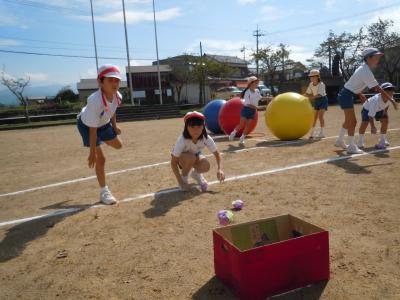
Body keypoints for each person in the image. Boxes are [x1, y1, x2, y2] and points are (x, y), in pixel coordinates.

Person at [335, 47, 397, 154]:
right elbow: (378, 88)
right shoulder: (365, 71)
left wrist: (359, 93)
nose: (378, 60)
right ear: (368, 58)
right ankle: (351, 146)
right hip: (346, 95)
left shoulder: (363, 68)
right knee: (352, 121)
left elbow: (352, 83)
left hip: (347, 94)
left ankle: (340, 140)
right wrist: (391, 100)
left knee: (348, 121)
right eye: (376, 58)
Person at [77, 64, 123, 205]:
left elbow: (113, 110)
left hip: (104, 123)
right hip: (88, 126)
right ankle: (104, 192)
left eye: (116, 80)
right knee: (101, 159)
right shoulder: (95, 100)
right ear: (100, 82)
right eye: (110, 80)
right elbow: (92, 129)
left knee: (119, 145)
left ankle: (100, 142)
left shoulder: (118, 96)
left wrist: (114, 126)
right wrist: (92, 152)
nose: (114, 84)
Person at [171, 111, 225, 192]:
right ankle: (184, 178)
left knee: (205, 166)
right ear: (186, 127)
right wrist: (181, 182)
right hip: (181, 158)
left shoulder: (206, 138)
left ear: (203, 127)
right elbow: (173, 162)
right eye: (192, 126)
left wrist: (220, 169)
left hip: (195, 155)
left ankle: (196, 174)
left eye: (199, 126)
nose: (196, 129)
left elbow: (217, 154)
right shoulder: (182, 140)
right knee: (191, 158)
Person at [229, 76, 267, 145]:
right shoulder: (247, 92)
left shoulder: (257, 91)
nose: (257, 84)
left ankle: (242, 138)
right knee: (241, 124)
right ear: (251, 83)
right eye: (256, 83)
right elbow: (248, 104)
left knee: (248, 126)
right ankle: (233, 133)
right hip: (246, 110)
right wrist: (257, 108)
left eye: (257, 83)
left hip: (252, 111)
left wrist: (270, 98)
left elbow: (261, 98)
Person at [357, 82, 396, 149]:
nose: (390, 91)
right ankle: (360, 141)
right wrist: (373, 127)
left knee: (385, 120)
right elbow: (370, 116)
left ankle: (382, 139)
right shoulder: (376, 100)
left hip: (380, 109)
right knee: (364, 124)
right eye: (388, 89)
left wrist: (385, 112)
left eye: (392, 89)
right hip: (367, 109)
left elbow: (387, 104)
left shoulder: (391, 97)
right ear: (382, 91)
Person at [303, 69, 328, 139]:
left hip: (323, 99)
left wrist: (310, 98)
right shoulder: (311, 84)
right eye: (310, 77)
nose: (311, 78)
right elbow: (307, 93)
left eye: (313, 76)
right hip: (316, 100)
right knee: (314, 117)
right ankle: (312, 133)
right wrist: (301, 96)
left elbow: (319, 95)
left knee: (320, 116)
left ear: (317, 77)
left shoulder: (321, 84)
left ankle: (322, 133)